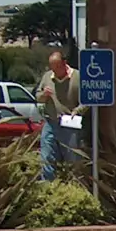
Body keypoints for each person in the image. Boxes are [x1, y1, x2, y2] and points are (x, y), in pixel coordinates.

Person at [36, 49, 80, 180]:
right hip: (50, 122)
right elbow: (38, 96)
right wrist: (44, 95)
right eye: (52, 67)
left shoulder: (77, 77)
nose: (54, 70)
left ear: (64, 63)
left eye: (57, 67)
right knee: (47, 156)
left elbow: (87, 100)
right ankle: (47, 186)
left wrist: (77, 111)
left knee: (72, 158)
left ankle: (74, 186)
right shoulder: (47, 77)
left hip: (69, 123)